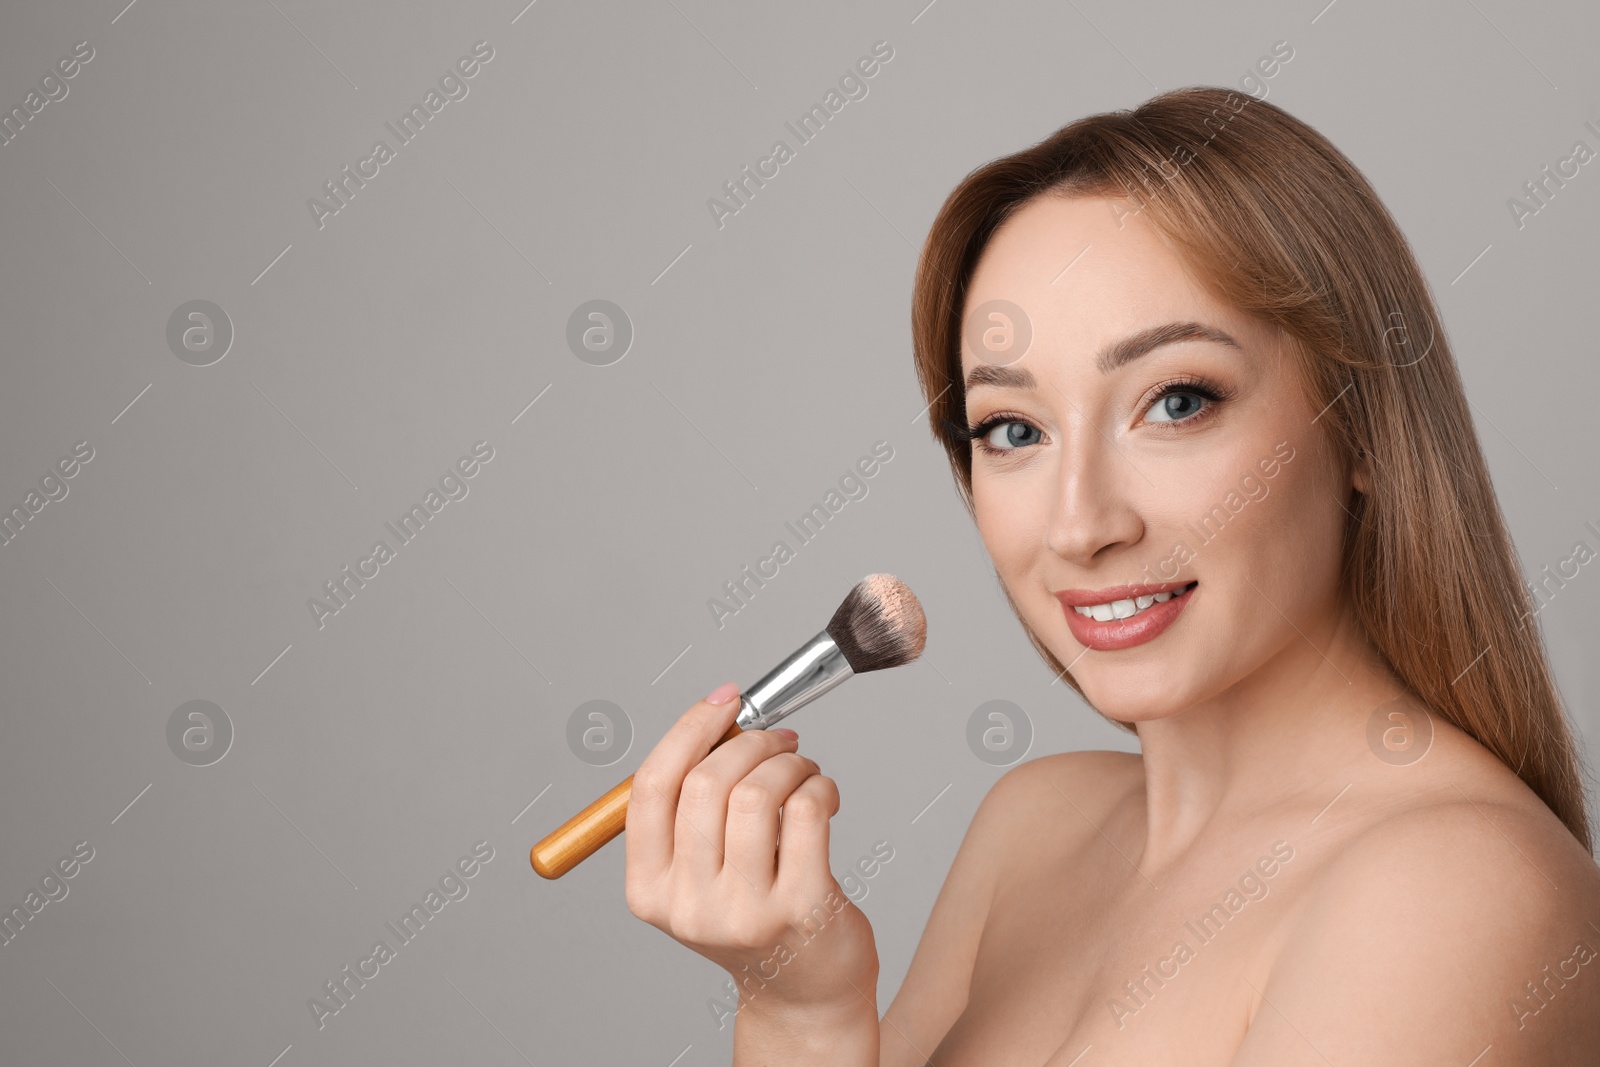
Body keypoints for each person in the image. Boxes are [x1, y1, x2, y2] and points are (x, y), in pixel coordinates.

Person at [623, 86, 1600, 1065]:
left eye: (1176, 401)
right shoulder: (1033, 828)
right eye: (1013, 429)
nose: (1080, 524)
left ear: (1361, 425)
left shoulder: (1453, 888)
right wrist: (799, 1009)